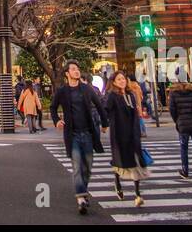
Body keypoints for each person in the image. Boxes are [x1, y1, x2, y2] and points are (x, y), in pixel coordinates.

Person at [51, 60, 109, 215]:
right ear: (67, 74)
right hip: (73, 135)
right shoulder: (62, 91)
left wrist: (104, 123)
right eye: (73, 69)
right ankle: (81, 198)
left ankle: (83, 191)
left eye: (78, 69)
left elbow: (99, 105)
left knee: (87, 167)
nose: (77, 71)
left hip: (88, 133)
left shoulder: (86, 89)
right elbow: (53, 107)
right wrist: (57, 120)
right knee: (77, 166)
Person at [104, 71, 150, 205]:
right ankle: (117, 182)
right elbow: (106, 111)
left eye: (123, 78)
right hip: (119, 133)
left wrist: (139, 129)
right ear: (114, 82)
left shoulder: (131, 94)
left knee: (135, 162)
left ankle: (137, 194)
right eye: (119, 79)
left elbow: (135, 113)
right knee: (121, 161)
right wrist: (104, 124)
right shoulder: (112, 96)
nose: (122, 81)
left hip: (133, 133)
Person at [168, 78, 192, 182]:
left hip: (182, 124)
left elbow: (172, 109)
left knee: (184, 149)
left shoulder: (173, 92)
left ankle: (185, 171)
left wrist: (177, 120)